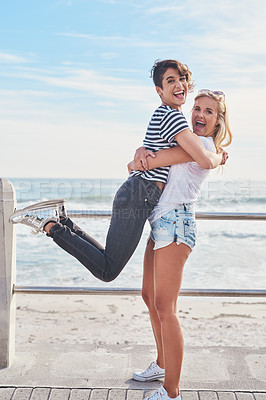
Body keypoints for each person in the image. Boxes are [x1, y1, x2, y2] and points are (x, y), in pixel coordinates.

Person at [10, 60, 226, 283]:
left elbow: (158, 156)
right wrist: (220, 156)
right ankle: (50, 225)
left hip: (139, 193)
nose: (179, 84)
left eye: (182, 79)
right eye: (170, 80)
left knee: (107, 261)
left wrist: (141, 152)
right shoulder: (172, 116)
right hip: (140, 194)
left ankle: (61, 221)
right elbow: (202, 158)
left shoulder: (168, 116)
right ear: (159, 91)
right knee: (107, 270)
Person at [129, 90, 232, 400]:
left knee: (166, 308)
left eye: (209, 112)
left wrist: (141, 157)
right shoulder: (187, 141)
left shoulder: (202, 146)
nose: (199, 114)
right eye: (197, 108)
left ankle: (171, 391)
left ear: (217, 122)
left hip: (176, 223)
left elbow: (141, 165)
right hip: (159, 222)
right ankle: (162, 364)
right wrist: (141, 150)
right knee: (149, 295)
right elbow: (144, 158)